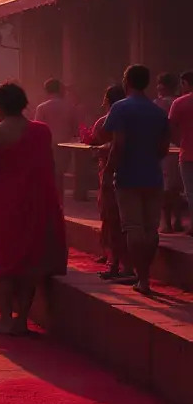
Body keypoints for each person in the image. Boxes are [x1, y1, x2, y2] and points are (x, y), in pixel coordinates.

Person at [0, 83, 67, 334]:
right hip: (35, 200)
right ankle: (21, 319)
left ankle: (4, 316)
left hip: (1, 203)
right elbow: (49, 164)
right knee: (29, 259)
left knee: (2, 258)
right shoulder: (41, 131)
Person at [104, 65, 171, 296]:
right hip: (153, 175)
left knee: (132, 227)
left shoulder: (120, 108)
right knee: (151, 229)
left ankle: (142, 279)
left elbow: (118, 144)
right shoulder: (158, 112)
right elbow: (163, 148)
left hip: (128, 175)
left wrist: (110, 170)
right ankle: (145, 276)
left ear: (127, 81)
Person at [89, 86, 132, 282]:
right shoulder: (135, 116)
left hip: (110, 172)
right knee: (126, 220)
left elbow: (110, 144)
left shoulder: (106, 121)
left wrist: (105, 163)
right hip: (131, 172)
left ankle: (116, 263)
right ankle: (123, 262)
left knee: (112, 218)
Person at [35, 78, 79, 200]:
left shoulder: (42, 108)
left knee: (51, 175)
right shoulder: (70, 107)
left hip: (47, 145)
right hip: (65, 144)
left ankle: (52, 200)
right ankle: (59, 200)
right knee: (59, 174)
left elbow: (37, 128)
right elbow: (75, 127)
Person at [155, 73, 185, 234]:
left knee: (165, 188)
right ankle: (178, 220)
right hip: (181, 148)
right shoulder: (180, 101)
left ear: (162, 86)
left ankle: (166, 222)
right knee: (177, 188)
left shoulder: (159, 104)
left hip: (165, 149)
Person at [170, 71, 193, 240]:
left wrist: (179, 143)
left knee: (190, 192)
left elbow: (170, 129)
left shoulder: (180, 103)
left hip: (187, 153)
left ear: (186, 83)